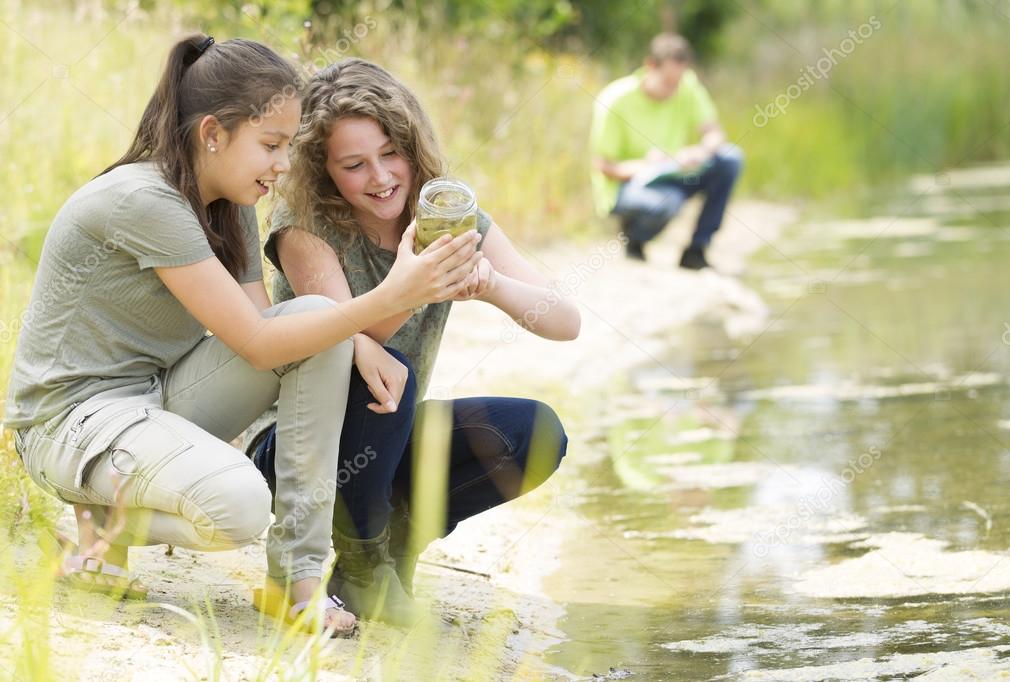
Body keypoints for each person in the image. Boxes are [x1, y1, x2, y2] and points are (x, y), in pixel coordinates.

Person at [4, 36, 481, 637]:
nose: (284, 165)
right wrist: (392, 298)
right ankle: (106, 520)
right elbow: (255, 343)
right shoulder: (143, 201)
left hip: (155, 401)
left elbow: (279, 336)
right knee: (241, 506)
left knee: (314, 326)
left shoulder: (230, 206)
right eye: (272, 145)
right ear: (212, 133)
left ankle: (297, 583)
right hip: (69, 424)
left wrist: (357, 333)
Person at [248, 58, 580, 627]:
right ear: (325, 171)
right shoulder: (302, 225)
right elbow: (340, 329)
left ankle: (387, 551)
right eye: (354, 165)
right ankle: (360, 565)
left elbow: (565, 320)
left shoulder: (446, 218)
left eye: (391, 154)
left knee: (534, 433)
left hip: (386, 439)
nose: (380, 177)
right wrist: (413, 286)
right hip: (297, 452)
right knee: (379, 367)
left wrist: (491, 285)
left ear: (412, 147)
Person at [590, 32, 744, 269]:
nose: (673, 90)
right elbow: (604, 166)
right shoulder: (616, 98)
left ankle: (696, 251)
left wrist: (701, 151)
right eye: (667, 82)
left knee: (730, 158)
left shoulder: (687, 86)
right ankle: (634, 238)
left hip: (675, 175)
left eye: (677, 82)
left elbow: (714, 133)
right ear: (650, 65)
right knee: (667, 201)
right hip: (627, 186)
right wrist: (647, 165)